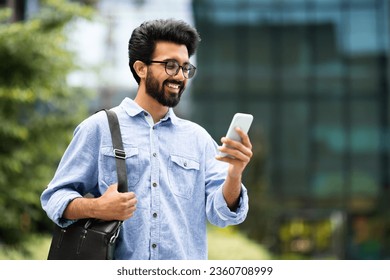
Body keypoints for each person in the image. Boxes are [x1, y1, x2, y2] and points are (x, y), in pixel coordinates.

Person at [41, 18, 253, 260]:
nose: (180, 76)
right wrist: (97, 207)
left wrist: (235, 173)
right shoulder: (98, 128)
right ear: (141, 68)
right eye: (170, 65)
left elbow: (223, 214)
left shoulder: (198, 139)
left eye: (185, 68)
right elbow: (54, 198)